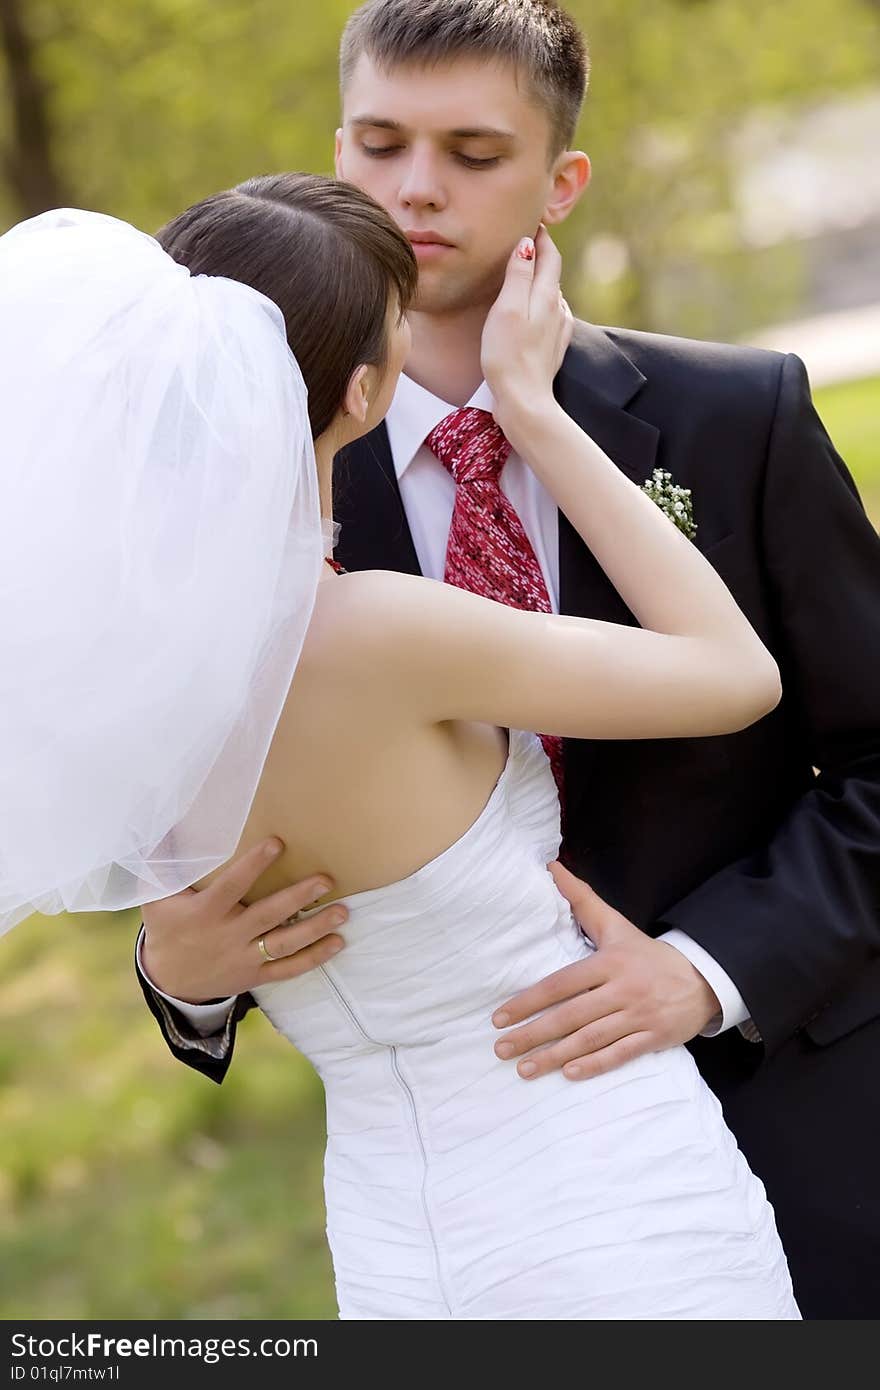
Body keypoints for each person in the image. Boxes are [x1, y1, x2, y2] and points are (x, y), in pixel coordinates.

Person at [135, 0, 880, 1320]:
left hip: (791, 1134)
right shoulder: (267, 524)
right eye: (380, 143)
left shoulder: (736, 416)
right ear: (337, 150)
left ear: (560, 180)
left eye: (474, 153)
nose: (417, 188)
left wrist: (706, 970)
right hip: (454, 1214)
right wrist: (179, 980)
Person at [0, 176, 798, 1317]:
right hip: (605, 1194)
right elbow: (736, 674)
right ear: (366, 391)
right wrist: (531, 408)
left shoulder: (108, 672)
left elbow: (179, 920)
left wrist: (171, 975)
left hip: (391, 1247)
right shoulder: (376, 630)